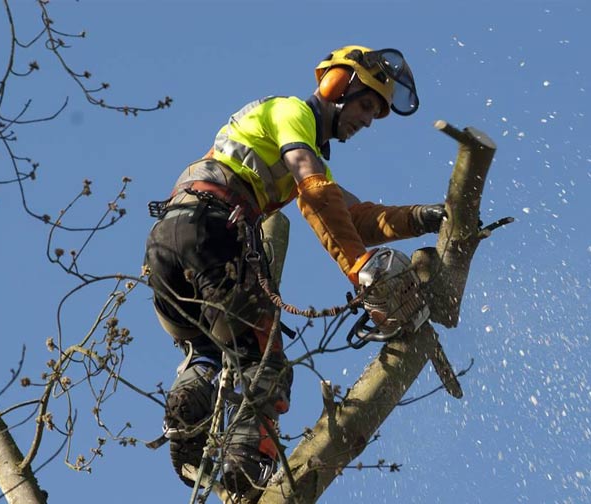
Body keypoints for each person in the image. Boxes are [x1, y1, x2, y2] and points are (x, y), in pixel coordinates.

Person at [143, 45, 446, 497]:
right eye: (366, 105)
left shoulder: (289, 144)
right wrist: (363, 271)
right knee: (266, 362)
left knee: (211, 349)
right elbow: (315, 192)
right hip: (212, 234)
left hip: (168, 244)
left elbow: (354, 215)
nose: (366, 121)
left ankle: (187, 427)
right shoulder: (291, 115)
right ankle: (249, 463)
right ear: (338, 85)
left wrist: (422, 216)